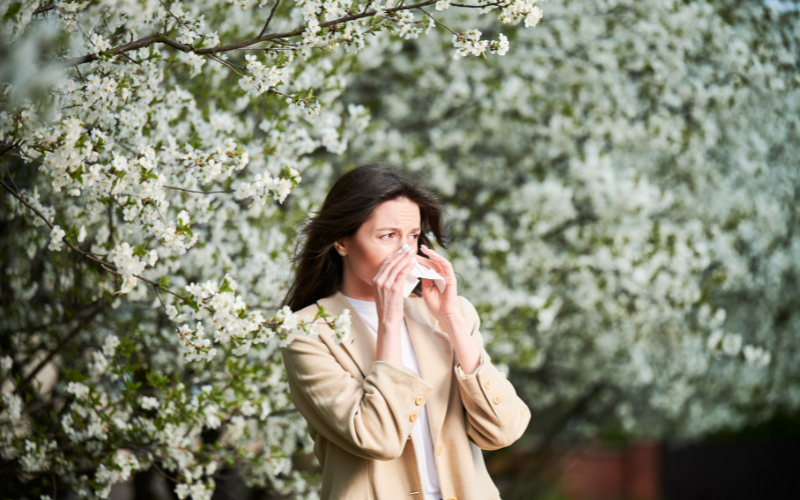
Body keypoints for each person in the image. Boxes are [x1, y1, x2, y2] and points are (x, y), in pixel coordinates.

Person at [280, 164, 531, 500]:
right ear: (341, 241)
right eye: (387, 236)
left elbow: (504, 430)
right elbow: (378, 438)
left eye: (412, 236)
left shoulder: (450, 316)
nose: (404, 252)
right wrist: (388, 321)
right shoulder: (306, 332)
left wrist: (452, 319)